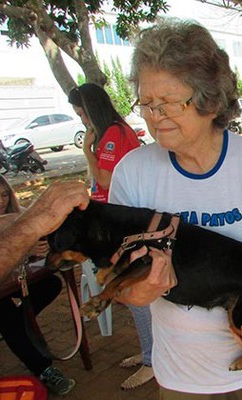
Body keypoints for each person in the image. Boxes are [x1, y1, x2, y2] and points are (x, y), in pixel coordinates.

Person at [109, 17, 242, 399]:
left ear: (210, 100)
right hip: (186, 378)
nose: (155, 116)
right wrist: (140, 291)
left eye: (170, 103)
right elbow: (121, 285)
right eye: (147, 103)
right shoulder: (132, 175)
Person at [0, 181, 89, 392]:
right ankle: (43, 367)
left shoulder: (11, 214)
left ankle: (22, 329)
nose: (0, 201)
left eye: (3, 195)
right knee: (4, 314)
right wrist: (20, 242)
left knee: (49, 285)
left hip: (8, 285)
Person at [68, 84, 152, 390]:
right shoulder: (112, 133)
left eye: (82, 114)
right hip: (115, 221)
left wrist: (87, 152)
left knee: (132, 289)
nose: (82, 121)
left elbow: (104, 178)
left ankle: (152, 360)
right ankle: (149, 350)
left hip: (122, 224)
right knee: (130, 292)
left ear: (92, 109)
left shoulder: (115, 134)